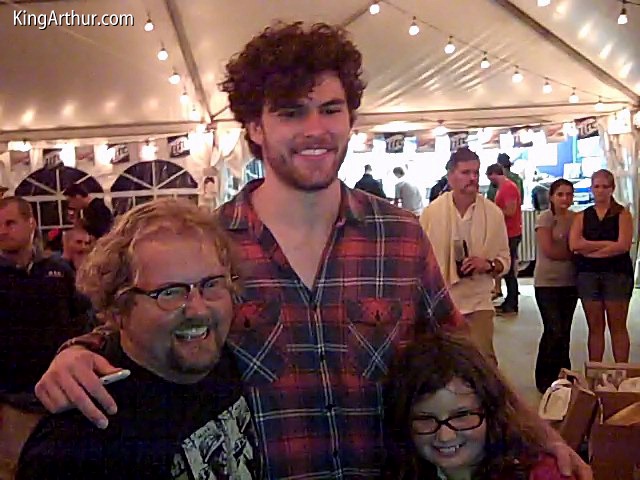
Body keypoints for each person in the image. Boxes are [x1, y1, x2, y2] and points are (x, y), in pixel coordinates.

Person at [34, 21, 589, 480]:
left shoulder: (398, 236)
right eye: (291, 112)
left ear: (351, 117)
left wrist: (543, 439)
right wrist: (79, 350)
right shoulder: (212, 245)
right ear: (254, 127)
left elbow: (465, 359)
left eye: (330, 108)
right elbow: (150, 324)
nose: (315, 129)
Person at [17, 199, 259, 479]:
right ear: (119, 308)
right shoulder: (73, 444)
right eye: (170, 292)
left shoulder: (228, 361)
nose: (198, 309)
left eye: (211, 284)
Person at [383, 334, 575, 480]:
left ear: (492, 410)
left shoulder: (540, 473)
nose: (445, 436)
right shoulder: (406, 470)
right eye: (425, 419)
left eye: (462, 415)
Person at [0, 197, 91, 477]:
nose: (2, 231)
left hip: (63, 395)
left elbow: (82, 320)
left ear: (31, 223)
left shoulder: (59, 271)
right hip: (13, 400)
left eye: (10, 223)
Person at [420, 148, 510, 364]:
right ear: (450, 176)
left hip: (479, 300)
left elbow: (505, 260)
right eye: (465, 172)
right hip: (443, 301)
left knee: (483, 362)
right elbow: (419, 261)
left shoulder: (493, 214)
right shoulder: (431, 213)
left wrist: (487, 265)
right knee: (444, 365)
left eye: (476, 172)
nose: (472, 178)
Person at [569, 169, 633, 362]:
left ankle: (621, 372)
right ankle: (595, 371)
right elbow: (574, 244)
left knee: (617, 326)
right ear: (591, 188)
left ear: (612, 188)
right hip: (588, 275)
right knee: (595, 327)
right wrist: (606, 245)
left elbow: (623, 245)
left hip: (617, 274)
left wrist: (590, 250)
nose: (601, 191)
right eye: (597, 186)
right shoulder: (582, 216)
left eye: (605, 186)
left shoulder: (622, 214)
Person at [534, 179, 578, 393]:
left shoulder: (576, 218)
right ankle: (544, 377)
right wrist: (577, 251)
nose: (565, 198)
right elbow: (549, 250)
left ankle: (563, 374)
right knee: (553, 329)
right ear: (551, 196)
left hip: (570, 282)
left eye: (569, 194)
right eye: (560, 194)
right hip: (547, 283)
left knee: (565, 331)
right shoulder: (545, 218)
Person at [487, 163, 522, 316]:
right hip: (507, 232)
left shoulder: (508, 188)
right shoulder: (504, 187)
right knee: (507, 270)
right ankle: (509, 301)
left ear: (494, 175)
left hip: (511, 232)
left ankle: (512, 303)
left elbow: (510, 211)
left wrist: (492, 210)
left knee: (509, 270)